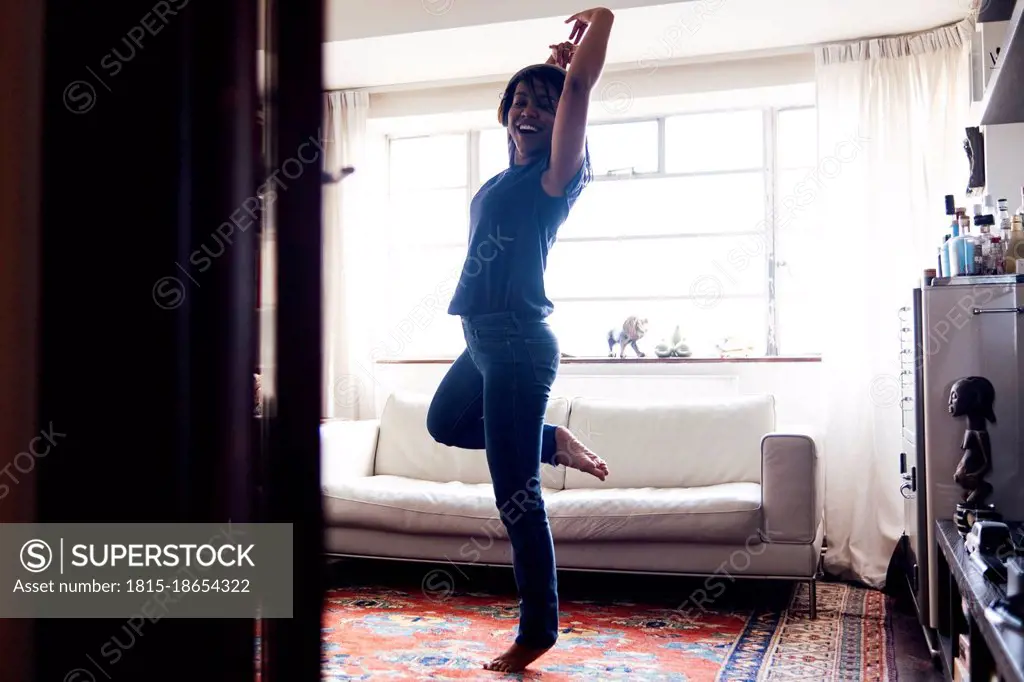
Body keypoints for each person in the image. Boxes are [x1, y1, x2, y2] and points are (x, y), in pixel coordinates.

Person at [425, 6, 615, 674]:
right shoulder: (508, 176)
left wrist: (599, 27)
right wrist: (550, 74)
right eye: (518, 103)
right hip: (480, 339)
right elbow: (554, 97)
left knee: (516, 497)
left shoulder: (553, 181)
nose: (525, 112)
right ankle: (551, 440)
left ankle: (537, 631)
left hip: (515, 343)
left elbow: (581, 95)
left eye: (540, 106)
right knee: (444, 422)